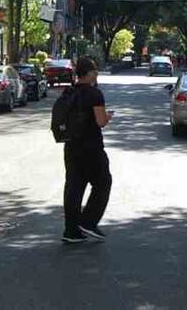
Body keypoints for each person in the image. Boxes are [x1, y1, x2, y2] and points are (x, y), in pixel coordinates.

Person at [61, 56, 114, 244]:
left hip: (71, 146)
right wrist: (108, 117)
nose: (97, 74)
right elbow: (100, 122)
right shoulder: (94, 94)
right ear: (90, 73)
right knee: (103, 182)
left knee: (74, 187)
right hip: (92, 148)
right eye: (95, 71)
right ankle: (89, 221)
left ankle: (71, 230)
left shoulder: (68, 92)